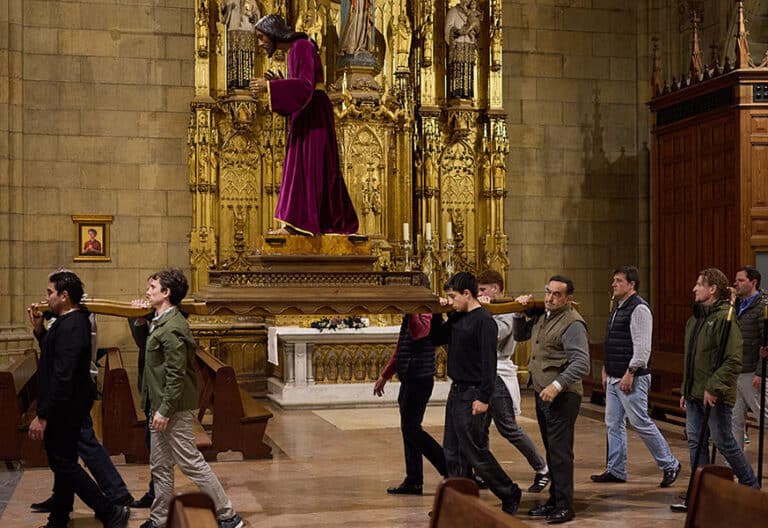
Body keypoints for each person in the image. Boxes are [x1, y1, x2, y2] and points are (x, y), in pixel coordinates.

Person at [139, 268, 243, 528]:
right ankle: (159, 519)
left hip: (172, 408)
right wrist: (138, 320)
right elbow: (150, 352)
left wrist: (164, 410)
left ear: (166, 293)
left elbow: (176, 376)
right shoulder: (160, 320)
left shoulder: (173, 327)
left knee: (191, 463)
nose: (147, 291)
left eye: (153, 287)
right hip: (160, 405)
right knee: (160, 466)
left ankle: (228, 515)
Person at [28, 270, 130, 528]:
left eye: (50, 292)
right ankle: (58, 519)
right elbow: (53, 355)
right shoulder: (66, 321)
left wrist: (43, 415)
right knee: (64, 462)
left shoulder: (74, 325)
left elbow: (63, 375)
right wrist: (39, 330)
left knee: (62, 463)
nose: (46, 297)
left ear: (64, 296)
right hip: (66, 406)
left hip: (65, 408)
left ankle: (109, 511)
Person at [248, 14, 358, 236]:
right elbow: (302, 85)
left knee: (307, 166)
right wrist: (279, 83)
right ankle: (309, 221)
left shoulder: (301, 46)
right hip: (310, 113)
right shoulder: (297, 49)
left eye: (261, 37)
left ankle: (300, 224)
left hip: (313, 115)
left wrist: (270, 87)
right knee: (310, 165)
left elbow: (306, 86)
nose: (261, 43)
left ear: (272, 33)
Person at [430, 272, 522, 516]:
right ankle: (459, 504)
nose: (450, 301)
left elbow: (489, 363)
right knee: (451, 450)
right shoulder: (457, 317)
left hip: (473, 393)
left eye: (452, 296)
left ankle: (509, 491)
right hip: (456, 390)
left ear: (467, 294)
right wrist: (438, 314)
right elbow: (435, 338)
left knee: (474, 451)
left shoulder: (483, 320)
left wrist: (483, 398)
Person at [590, 266, 681, 487]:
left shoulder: (639, 309)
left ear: (631, 285)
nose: (613, 284)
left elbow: (642, 348)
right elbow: (613, 342)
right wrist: (606, 368)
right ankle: (616, 470)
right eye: (613, 280)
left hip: (632, 377)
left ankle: (670, 464)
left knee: (640, 421)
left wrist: (630, 372)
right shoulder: (618, 307)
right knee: (613, 423)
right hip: (614, 375)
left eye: (619, 281)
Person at [514, 276, 590, 524]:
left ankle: (565, 506)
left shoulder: (573, 323)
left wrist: (557, 386)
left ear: (568, 298)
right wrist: (519, 310)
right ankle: (554, 500)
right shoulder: (543, 314)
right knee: (552, 450)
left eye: (557, 294)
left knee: (560, 453)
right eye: (548, 292)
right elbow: (520, 336)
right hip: (542, 393)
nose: (550, 297)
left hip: (562, 397)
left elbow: (581, 363)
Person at [680, 268, 758, 490]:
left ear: (712, 289)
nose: (694, 288)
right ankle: (702, 491)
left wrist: (713, 387)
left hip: (715, 394)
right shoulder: (695, 319)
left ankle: (750, 485)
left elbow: (733, 360)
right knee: (695, 442)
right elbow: (692, 359)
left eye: (699, 284)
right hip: (695, 393)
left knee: (724, 442)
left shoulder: (725, 318)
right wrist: (686, 390)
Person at [476, 270, 549, 493]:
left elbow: (493, 335)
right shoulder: (487, 309)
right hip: (481, 374)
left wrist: (484, 311)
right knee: (479, 429)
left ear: (496, 288)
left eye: (482, 289)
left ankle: (542, 469)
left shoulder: (505, 309)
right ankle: (484, 472)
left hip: (498, 374)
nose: (479, 294)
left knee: (508, 427)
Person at [374, 311, 446, 495]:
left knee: (412, 428)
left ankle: (448, 467)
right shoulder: (409, 315)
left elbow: (419, 333)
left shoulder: (426, 313)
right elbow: (400, 348)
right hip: (408, 377)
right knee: (408, 429)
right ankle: (414, 479)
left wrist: (413, 310)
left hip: (420, 378)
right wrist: (385, 375)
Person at [731, 266, 768, 453]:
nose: (736, 283)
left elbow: (766, 343)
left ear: (753, 282)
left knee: (764, 417)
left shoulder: (763, 306)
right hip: (735, 369)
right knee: (734, 419)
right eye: (736, 280)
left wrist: (761, 372)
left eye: (741, 280)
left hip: (753, 371)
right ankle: (736, 462)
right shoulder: (734, 304)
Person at [444, 0, 481, 98]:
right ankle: (457, 93)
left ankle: (468, 93)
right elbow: (448, 29)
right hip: (457, 45)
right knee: (458, 67)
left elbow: (478, 30)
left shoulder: (473, 13)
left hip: (469, 45)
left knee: (468, 68)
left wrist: (473, 30)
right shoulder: (453, 12)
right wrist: (457, 31)